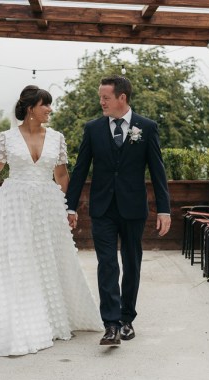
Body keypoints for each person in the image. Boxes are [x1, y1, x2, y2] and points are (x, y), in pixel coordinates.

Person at [0, 85, 103, 357]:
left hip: (47, 206)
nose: (49, 109)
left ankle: (51, 314)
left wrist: (68, 209)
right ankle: (16, 317)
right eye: (44, 104)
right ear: (30, 108)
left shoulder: (57, 138)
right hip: (13, 208)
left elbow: (61, 177)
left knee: (47, 260)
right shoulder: (8, 138)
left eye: (49, 104)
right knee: (16, 262)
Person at [66, 76, 171, 346]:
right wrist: (69, 206)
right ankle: (110, 325)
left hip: (133, 208)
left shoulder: (146, 127)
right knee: (107, 264)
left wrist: (164, 210)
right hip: (102, 208)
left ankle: (127, 319)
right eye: (101, 97)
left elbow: (158, 171)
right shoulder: (93, 129)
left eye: (106, 97)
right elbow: (80, 170)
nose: (101, 102)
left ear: (122, 98)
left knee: (132, 263)